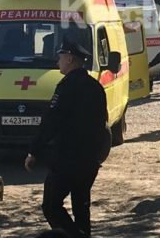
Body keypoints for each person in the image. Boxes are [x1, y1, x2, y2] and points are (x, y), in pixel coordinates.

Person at [25, 40, 109, 238]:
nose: (58, 62)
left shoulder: (66, 86)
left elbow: (51, 121)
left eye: (61, 57)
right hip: (90, 158)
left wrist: (34, 150)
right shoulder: (95, 86)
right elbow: (103, 123)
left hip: (68, 157)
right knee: (81, 205)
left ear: (70, 58)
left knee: (51, 205)